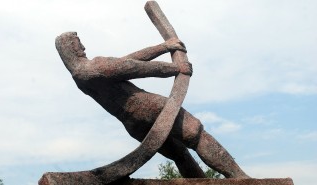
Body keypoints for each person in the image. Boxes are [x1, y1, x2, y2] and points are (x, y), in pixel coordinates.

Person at [55, 32, 249, 178]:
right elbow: (134, 67)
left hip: (134, 125)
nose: (83, 46)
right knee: (195, 133)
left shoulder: (81, 76)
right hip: (149, 108)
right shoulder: (92, 68)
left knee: (180, 154)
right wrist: (175, 68)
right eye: (77, 43)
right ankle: (241, 179)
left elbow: (126, 61)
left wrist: (163, 47)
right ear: (70, 48)